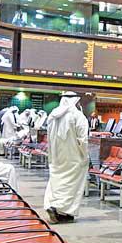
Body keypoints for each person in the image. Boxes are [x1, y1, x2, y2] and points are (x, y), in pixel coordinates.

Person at [44, 92, 88, 223]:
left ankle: (57, 208)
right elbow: (83, 140)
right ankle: (60, 208)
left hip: (56, 156)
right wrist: (85, 156)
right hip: (73, 156)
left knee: (56, 181)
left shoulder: (52, 115)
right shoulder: (78, 116)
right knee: (71, 185)